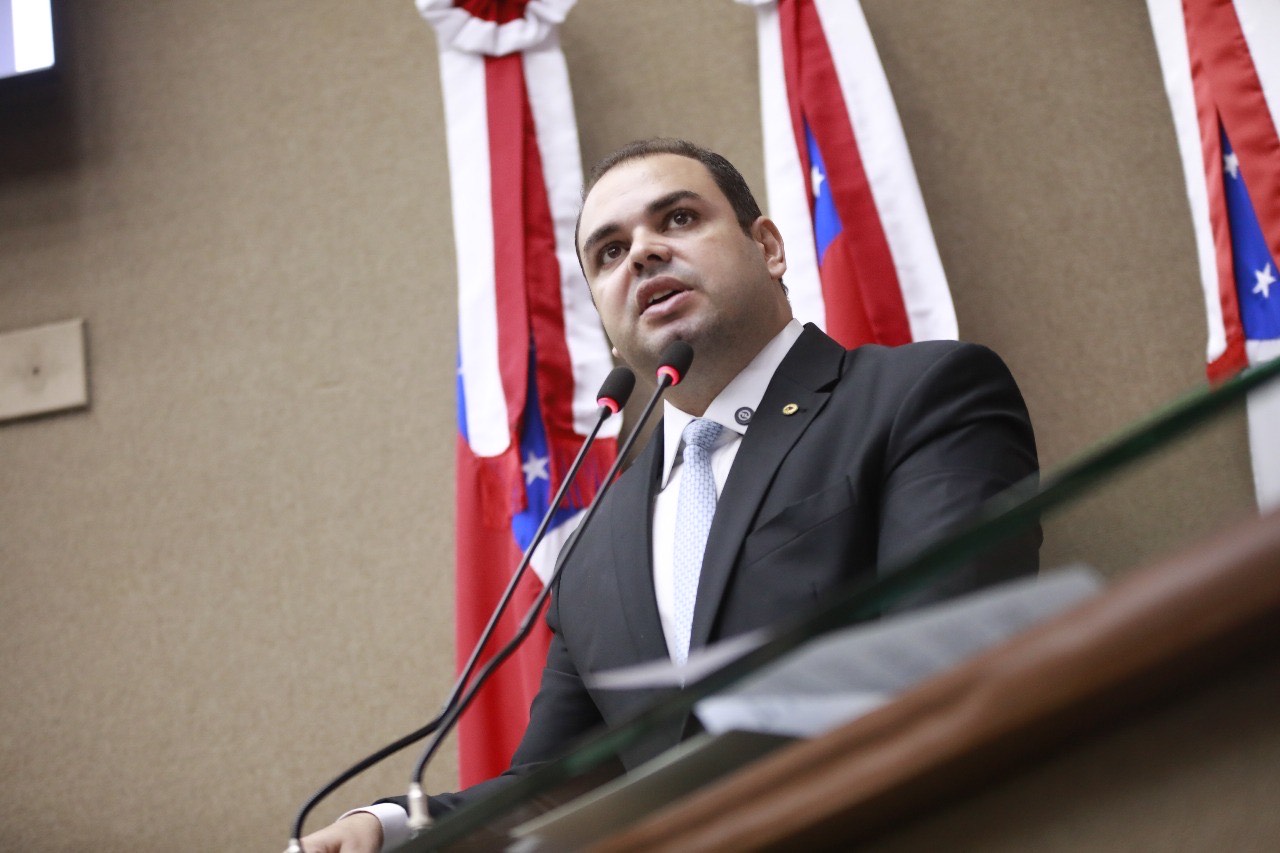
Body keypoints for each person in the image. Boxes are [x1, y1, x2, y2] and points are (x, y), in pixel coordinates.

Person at [301, 139, 1040, 852]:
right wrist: (393, 827)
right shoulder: (596, 541)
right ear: (606, 323)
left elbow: (947, 659)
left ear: (769, 247)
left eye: (679, 218)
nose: (643, 254)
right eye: (609, 252)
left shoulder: (919, 395)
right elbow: (557, 787)